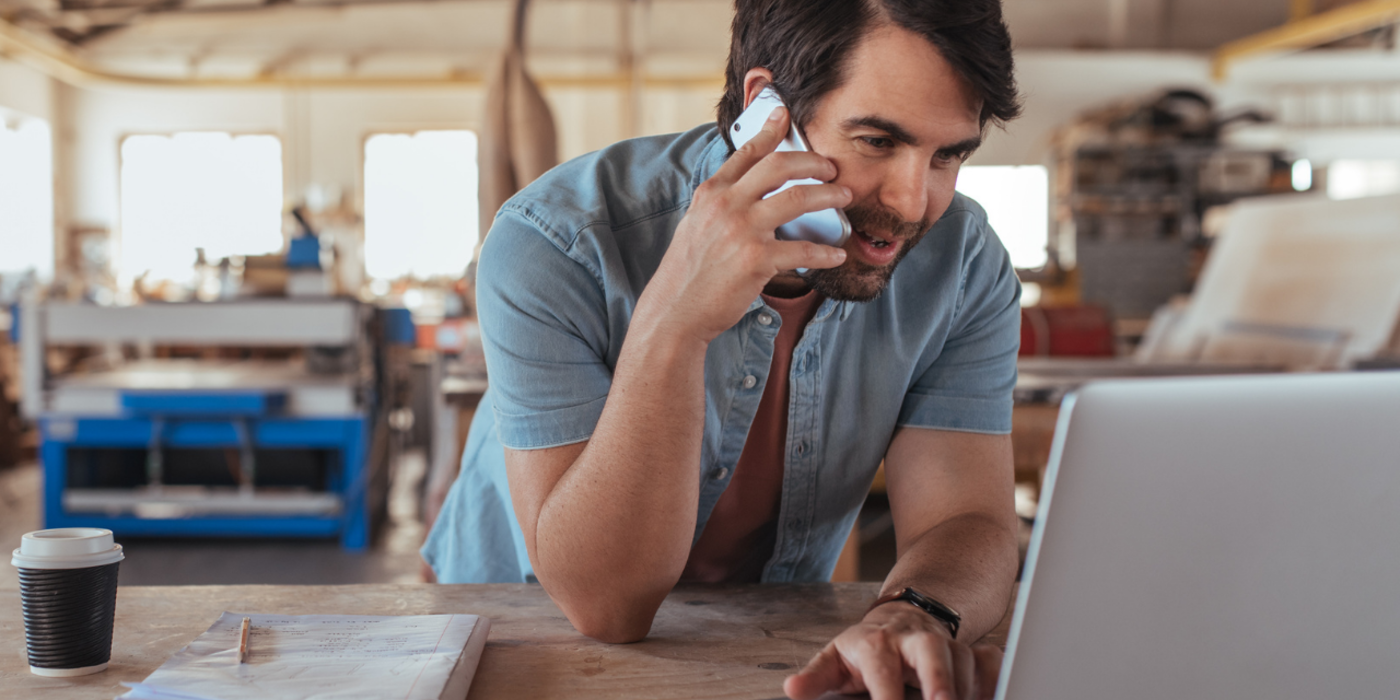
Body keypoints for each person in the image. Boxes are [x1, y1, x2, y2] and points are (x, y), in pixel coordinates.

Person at [423, 0, 1023, 697]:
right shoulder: (556, 244)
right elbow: (606, 606)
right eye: (878, 143)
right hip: (514, 629)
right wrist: (674, 323)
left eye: (949, 154)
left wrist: (914, 611)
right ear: (766, 109)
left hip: (764, 643)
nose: (916, 202)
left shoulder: (964, 264)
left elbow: (966, 520)